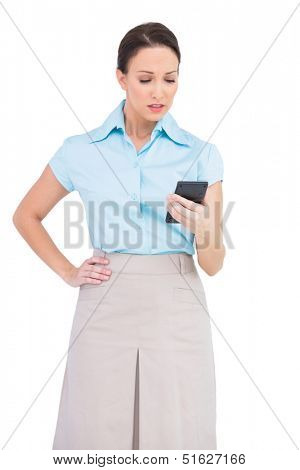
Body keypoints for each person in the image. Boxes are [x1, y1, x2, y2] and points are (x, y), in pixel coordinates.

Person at [12, 21, 225, 450]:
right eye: (145, 79)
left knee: (176, 434)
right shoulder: (80, 150)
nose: (158, 92)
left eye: (170, 79)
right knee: (95, 433)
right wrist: (69, 271)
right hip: (103, 307)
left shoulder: (201, 154)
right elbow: (26, 215)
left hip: (178, 309)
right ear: (121, 78)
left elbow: (214, 265)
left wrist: (205, 230)